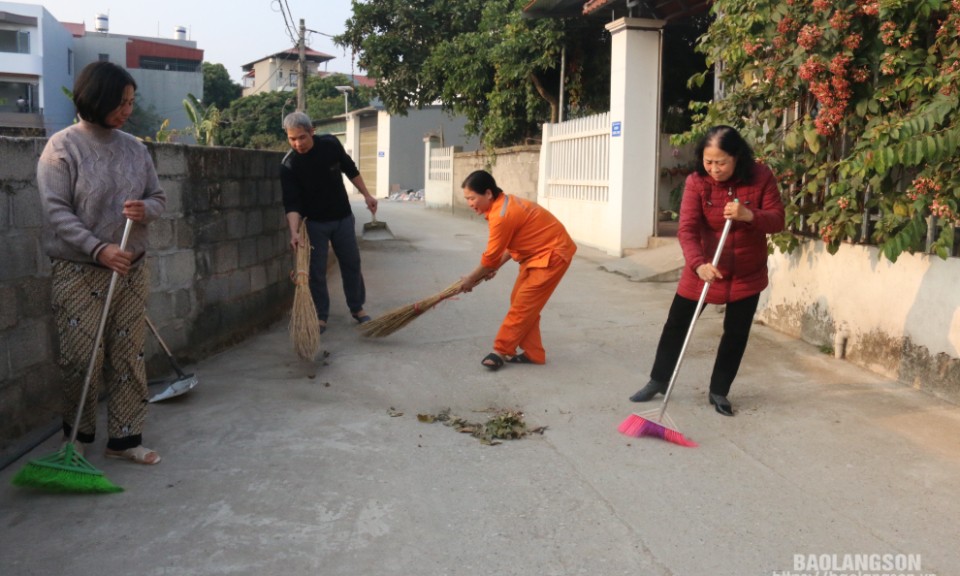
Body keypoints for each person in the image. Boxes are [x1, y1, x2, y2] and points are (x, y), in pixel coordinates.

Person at [37, 61, 166, 463]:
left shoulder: (136, 149)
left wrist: (147, 208)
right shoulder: (62, 147)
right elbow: (57, 211)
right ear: (97, 98)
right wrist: (98, 249)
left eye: (131, 102)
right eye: (120, 102)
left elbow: (159, 197)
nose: (127, 110)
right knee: (81, 356)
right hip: (79, 270)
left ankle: (125, 440)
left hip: (130, 267)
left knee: (128, 352)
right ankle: (77, 437)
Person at [629, 125, 785, 416]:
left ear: (737, 157)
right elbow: (686, 229)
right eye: (708, 161)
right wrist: (698, 264)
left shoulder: (761, 176)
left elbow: (777, 220)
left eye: (721, 162)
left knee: (735, 334)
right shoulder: (696, 182)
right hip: (704, 267)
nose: (714, 169)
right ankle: (658, 380)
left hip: (746, 273)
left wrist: (749, 214)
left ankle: (719, 391)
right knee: (676, 325)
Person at [459, 170, 577, 370]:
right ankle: (534, 353)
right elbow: (506, 248)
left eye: (472, 198)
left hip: (553, 255)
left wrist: (471, 278)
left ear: (488, 194)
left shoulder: (502, 214)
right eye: (467, 199)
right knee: (520, 302)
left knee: (523, 305)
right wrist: (492, 267)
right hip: (535, 255)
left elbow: (489, 258)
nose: (469, 203)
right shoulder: (503, 205)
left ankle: (501, 350)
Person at [281, 111, 377, 333]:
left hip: (342, 217)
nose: (297, 143)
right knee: (316, 271)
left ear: (312, 131)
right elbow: (292, 203)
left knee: (351, 263)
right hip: (314, 224)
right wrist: (294, 232)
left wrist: (367, 195)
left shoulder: (331, 145)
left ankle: (357, 308)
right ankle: (321, 315)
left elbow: (350, 169)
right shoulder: (289, 165)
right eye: (292, 139)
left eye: (302, 137)